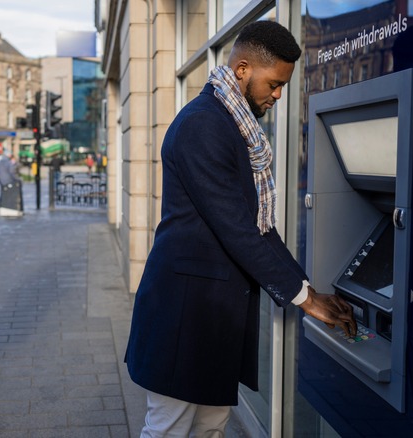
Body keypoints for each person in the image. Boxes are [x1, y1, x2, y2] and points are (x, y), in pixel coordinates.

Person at [124, 21, 357, 437]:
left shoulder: (233, 126)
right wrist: (305, 299)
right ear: (244, 69)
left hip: (213, 312)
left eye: (284, 86)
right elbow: (237, 229)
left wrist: (304, 285)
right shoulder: (204, 125)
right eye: (274, 83)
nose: (278, 95)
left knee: (211, 424)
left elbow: (259, 226)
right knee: (168, 428)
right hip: (184, 311)